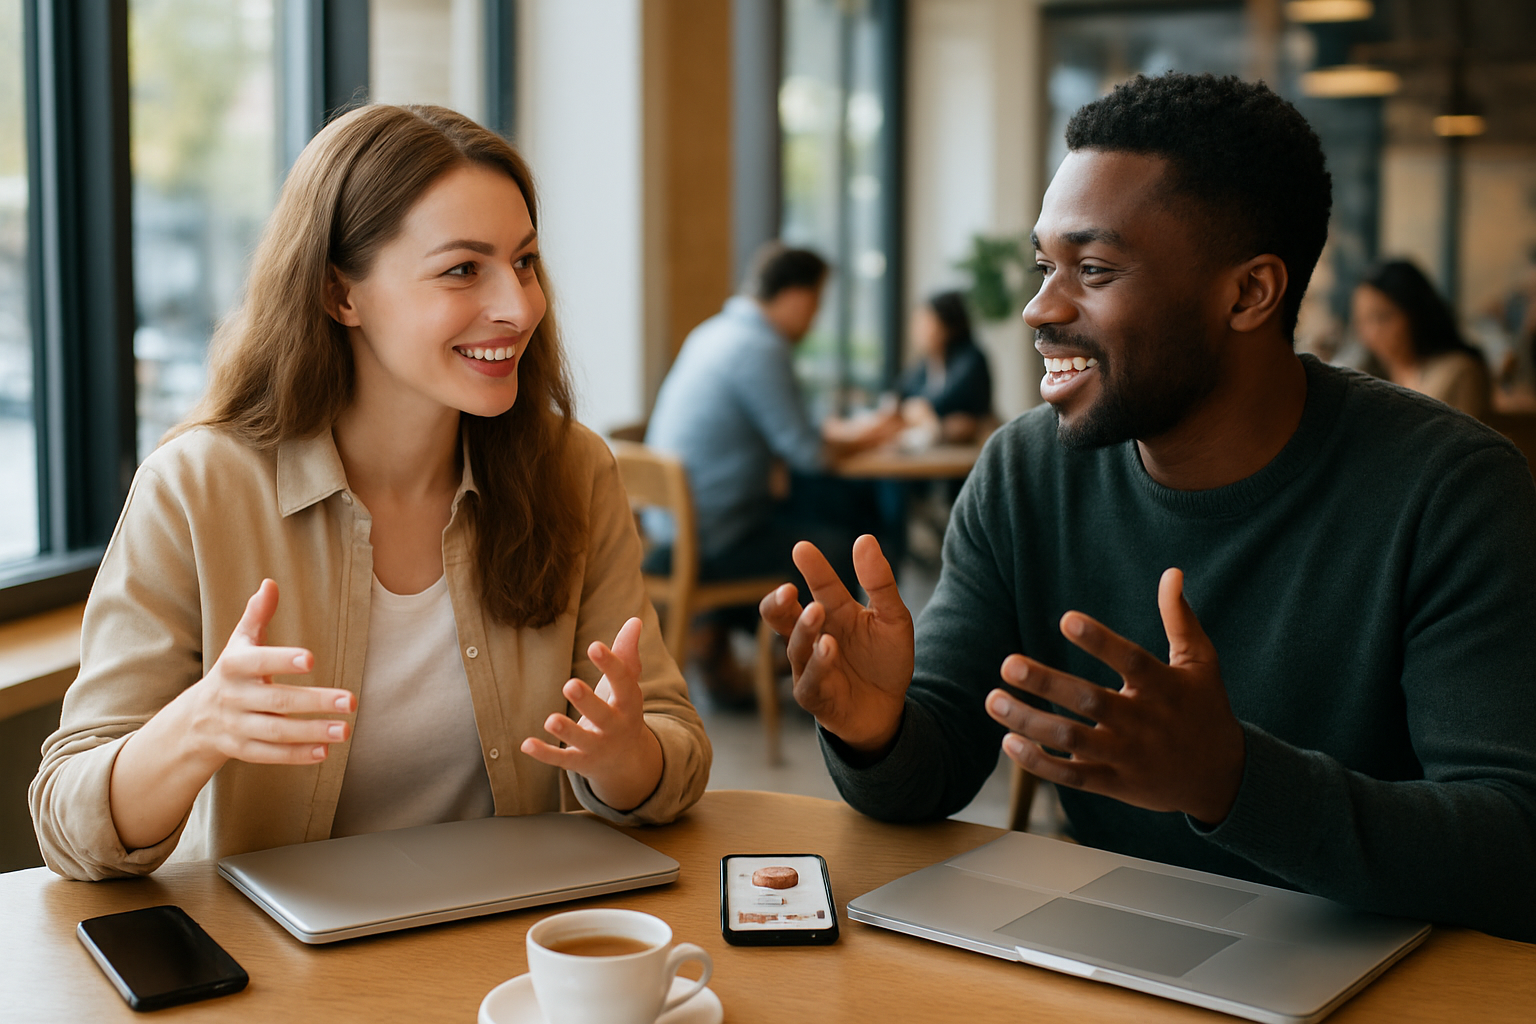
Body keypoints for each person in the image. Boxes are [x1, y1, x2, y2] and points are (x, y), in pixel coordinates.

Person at [759, 73, 1536, 942]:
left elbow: (1515, 844)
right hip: (1117, 956)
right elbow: (930, 772)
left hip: (1382, 963)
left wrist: (1232, 779)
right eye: (1044, 266)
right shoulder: (1025, 472)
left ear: (1248, 294)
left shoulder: (1451, 490)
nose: (1039, 309)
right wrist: (876, 734)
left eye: (1092, 270)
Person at [30, 104, 711, 880]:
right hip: (283, 978)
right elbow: (67, 823)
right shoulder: (196, 486)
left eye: (524, 261)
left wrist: (625, 757)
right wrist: (196, 728)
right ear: (339, 295)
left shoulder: (572, 470)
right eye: (463, 269)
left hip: (510, 949)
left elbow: (675, 754)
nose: (521, 306)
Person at [644, 243, 901, 698]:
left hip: (671, 529)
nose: (814, 316)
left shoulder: (714, 333)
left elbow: (792, 434)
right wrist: (874, 434)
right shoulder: (760, 347)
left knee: (807, 511)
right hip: (715, 537)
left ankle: (730, 648)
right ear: (797, 297)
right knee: (846, 541)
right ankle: (830, 674)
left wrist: (850, 434)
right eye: (817, 303)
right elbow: (807, 453)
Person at [1352, 259, 1492, 419]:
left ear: (1415, 313)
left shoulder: (1457, 372)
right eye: (1361, 321)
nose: (1370, 332)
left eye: (1382, 317)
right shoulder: (1367, 376)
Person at [897, 290, 994, 445]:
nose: (917, 331)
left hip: (966, 451)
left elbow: (941, 404)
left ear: (948, 326)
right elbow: (901, 396)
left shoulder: (970, 360)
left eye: (926, 322)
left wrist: (920, 411)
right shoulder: (926, 363)